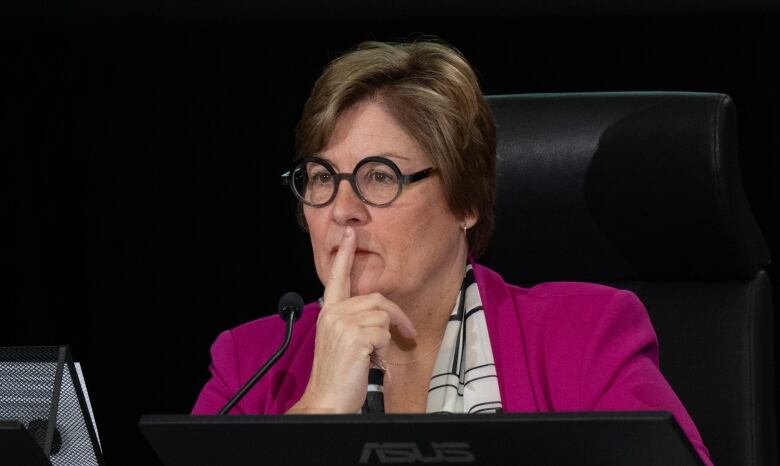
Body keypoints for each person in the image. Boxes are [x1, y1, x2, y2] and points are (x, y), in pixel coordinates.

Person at [192, 39, 712, 464]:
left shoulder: (586, 337)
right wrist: (317, 410)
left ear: (465, 200)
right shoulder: (250, 365)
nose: (342, 209)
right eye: (323, 178)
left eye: (379, 176)